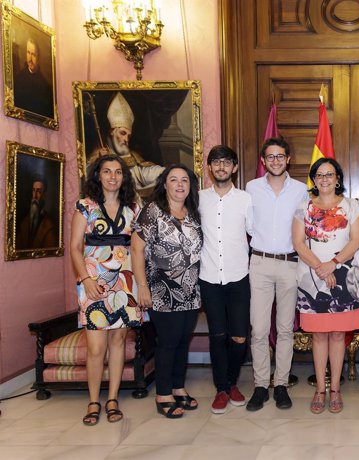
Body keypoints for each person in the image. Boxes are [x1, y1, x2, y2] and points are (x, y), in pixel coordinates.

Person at [69, 154, 145, 426]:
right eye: (107, 171)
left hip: (125, 282)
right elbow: (75, 248)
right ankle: (93, 401)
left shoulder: (134, 208)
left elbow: (137, 249)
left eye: (118, 172)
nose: (113, 176)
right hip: (93, 283)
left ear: (124, 177)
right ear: (97, 175)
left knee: (118, 344)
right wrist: (85, 279)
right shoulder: (85, 206)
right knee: (95, 347)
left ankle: (112, 399)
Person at [292, 158, 359, 414]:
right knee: (319, 337)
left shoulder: (352, 206)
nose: (324, 179)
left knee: (337, 336)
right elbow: (299, 243)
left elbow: (355, 241)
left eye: (329, 174)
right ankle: (319, 390)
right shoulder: (304, 207)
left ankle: (335, 389)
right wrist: (321, 268)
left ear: (338, 179)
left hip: (344, 278)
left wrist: (332, 264)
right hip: (311, 280)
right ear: (314, 179)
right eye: (319, 175)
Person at [132, 164, 203, 418]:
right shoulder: (153, 212)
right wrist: (142, 287)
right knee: (169, 341)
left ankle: (178, 387)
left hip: (191, 290)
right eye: (174, 180)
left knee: (183, 341)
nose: (180, 184)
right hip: (162, 290)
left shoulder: (193, 213)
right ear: (165, 184)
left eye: (185, 180)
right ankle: (163, 393)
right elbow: (136, 249)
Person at [245, 137, 308, 411]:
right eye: (270, 157)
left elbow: (306, 230)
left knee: (284, 329)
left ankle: (280, 384)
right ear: (263, 161)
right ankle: (260, 386)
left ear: (288, 158)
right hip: (259, 263)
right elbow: (248, 226)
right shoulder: (251, 188)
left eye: (280, 156)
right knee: (259, 330)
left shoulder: (302, 190)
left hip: (289, 264)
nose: (275, 161)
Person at [199, 145, 253, 414]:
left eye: (226, 162)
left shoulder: (246, 199)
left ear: (234, 168)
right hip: (208, 277)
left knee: (240, 336)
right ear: (209, 167)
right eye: (216, 162)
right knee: (217, 335)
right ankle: (223, 387)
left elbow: (257, 233)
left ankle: (232, 382)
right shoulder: (198, 199)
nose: (221, 167)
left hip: (239, 277)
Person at [87, 92, 164, 194]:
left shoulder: (131, 156)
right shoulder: (97, 157)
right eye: (123, 133)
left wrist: (166, 172)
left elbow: (143, 173)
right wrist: (98, 163)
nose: (126, 139)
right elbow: (87, 180)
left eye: (128, 135)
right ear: (112, 132)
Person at [13, 37, 53, 118]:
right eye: (28, 53)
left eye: (33, 55)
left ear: (39, 57)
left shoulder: (45, 86)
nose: (30, 59)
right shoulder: (18, 79)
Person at [16, 178, 58, 250]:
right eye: (33, 190)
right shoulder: (24, 222)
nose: (35, 196)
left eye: (39, 191)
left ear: (44, 195)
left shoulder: (49, 225)